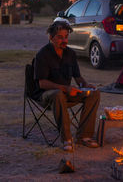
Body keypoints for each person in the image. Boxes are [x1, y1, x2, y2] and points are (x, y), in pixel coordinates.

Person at [33, 21, 100, 152]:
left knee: (94, 94)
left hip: (66, 94)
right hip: (46, 95)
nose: (64, 40)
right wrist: (65, 88)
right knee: (58, 94)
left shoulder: (70, 54)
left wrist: (85, 85)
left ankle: (84, 136)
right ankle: (66, 139)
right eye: (60, 37)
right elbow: (42, 83)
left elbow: (78, 77)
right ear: (51, 38)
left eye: (66, 37)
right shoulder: (43, 55)